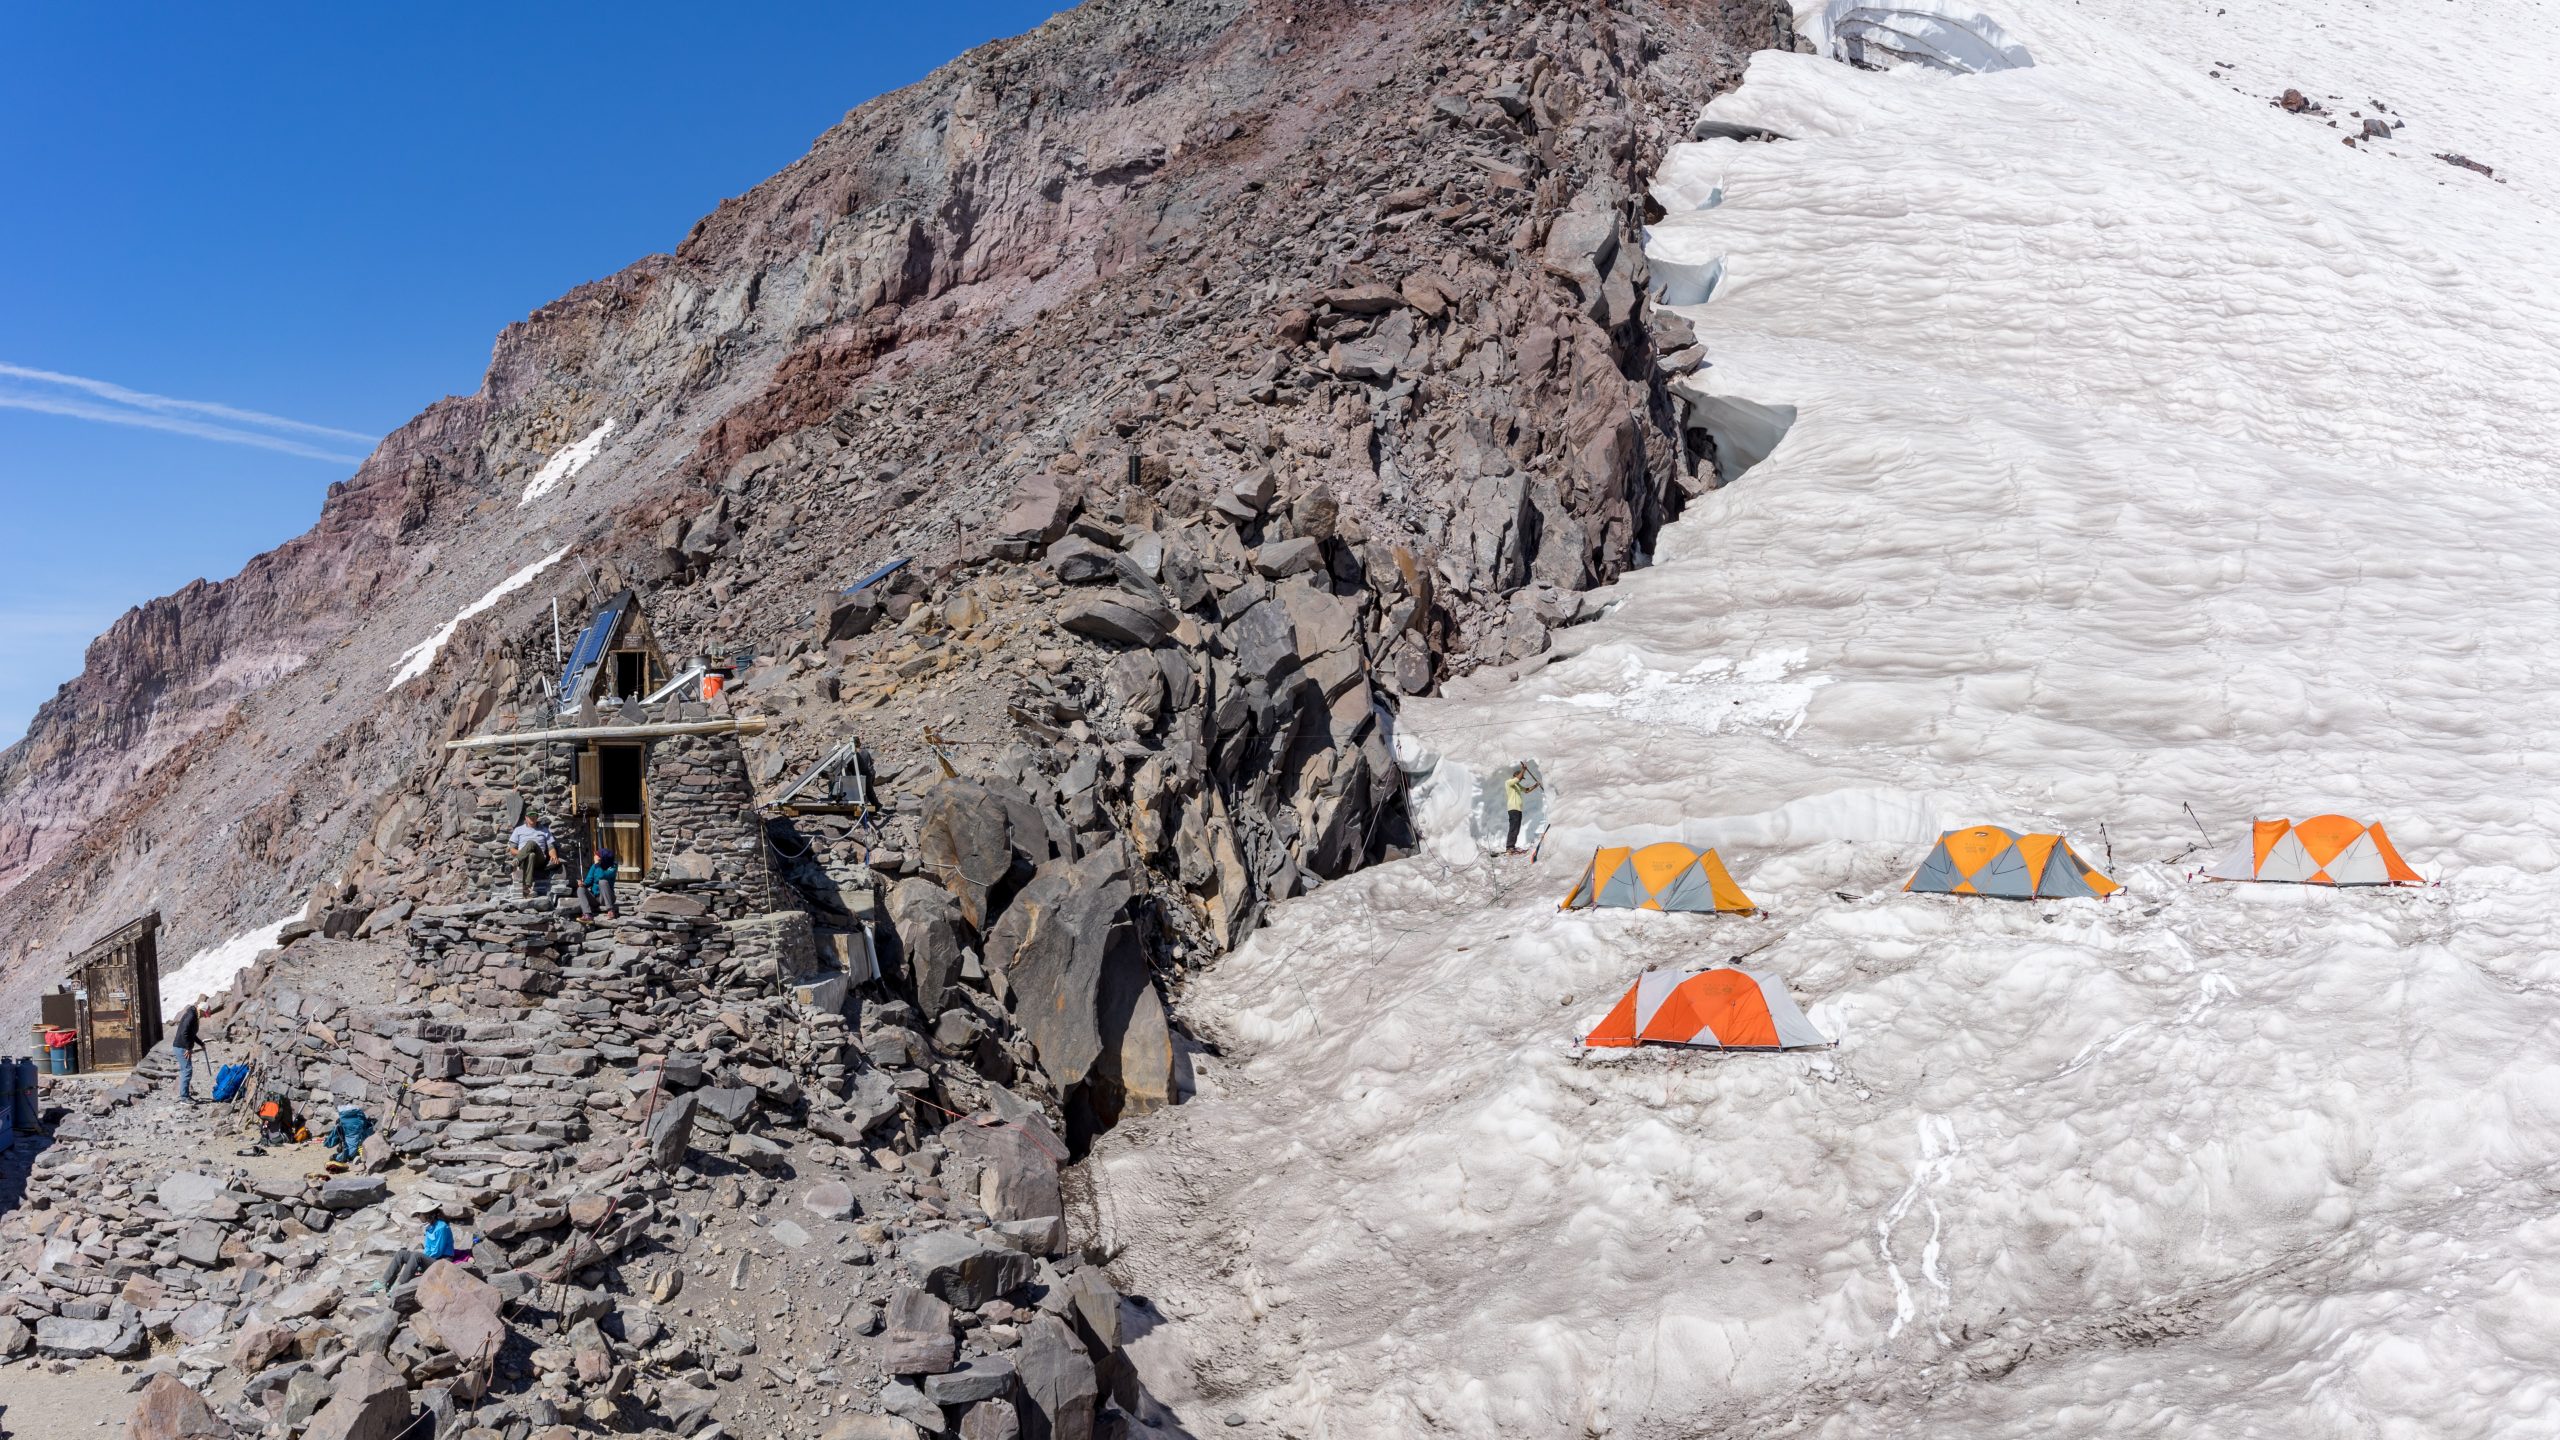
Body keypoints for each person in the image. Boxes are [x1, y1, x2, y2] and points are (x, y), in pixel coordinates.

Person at [509, 814, 559, 896]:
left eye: (534, 816)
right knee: (531, 855)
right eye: (530, 816)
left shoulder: (544, 830)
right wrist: (525, 852)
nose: (532, 818)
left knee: (531, 843)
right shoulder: (518, 830)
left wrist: (554, 855)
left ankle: (514, 863)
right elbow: (512, 850)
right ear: (526, 817)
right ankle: (527, 888)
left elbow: (551, 847)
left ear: (537, 817)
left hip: (540, 860)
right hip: (524, 860)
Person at [1503, 762, 1541, 855]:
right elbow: (1517, 779)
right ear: (1515, 776)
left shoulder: (1517, 785)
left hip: (1518, 810)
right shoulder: (1509, 782)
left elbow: (1526, 790)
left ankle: (1512, 846)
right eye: (1520, 778)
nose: (1521, 780)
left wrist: (1535, 785)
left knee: (1516, 828)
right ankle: (1509, 847)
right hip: (1513, 809)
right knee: (1513, 828)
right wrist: (1523, 770)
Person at [168, 1002, 201, 1102]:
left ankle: (185, 1095)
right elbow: (184, 1033)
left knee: (185, 1070)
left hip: (181, 1046)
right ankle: (184, 1097)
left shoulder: (192, 1015)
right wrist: (188, 1048)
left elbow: (191, 1034)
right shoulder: (191, 1016)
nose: (204, 1016)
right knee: (187, 1070)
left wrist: (201, 1043)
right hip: (181, 1047)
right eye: (204, 1014)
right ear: (201, 1010)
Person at [580, 846, 621, 922]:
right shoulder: (594, 866)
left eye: (597, 855)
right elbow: (589, 880)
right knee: (580, 889)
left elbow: (601, 876)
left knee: (603, 882)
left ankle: (611, 910)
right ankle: (587, 914)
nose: (595, 856)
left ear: (602, 858)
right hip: (595, 899)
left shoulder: (613, 867)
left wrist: (597, 865)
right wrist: (583, 884)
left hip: (607, 898)